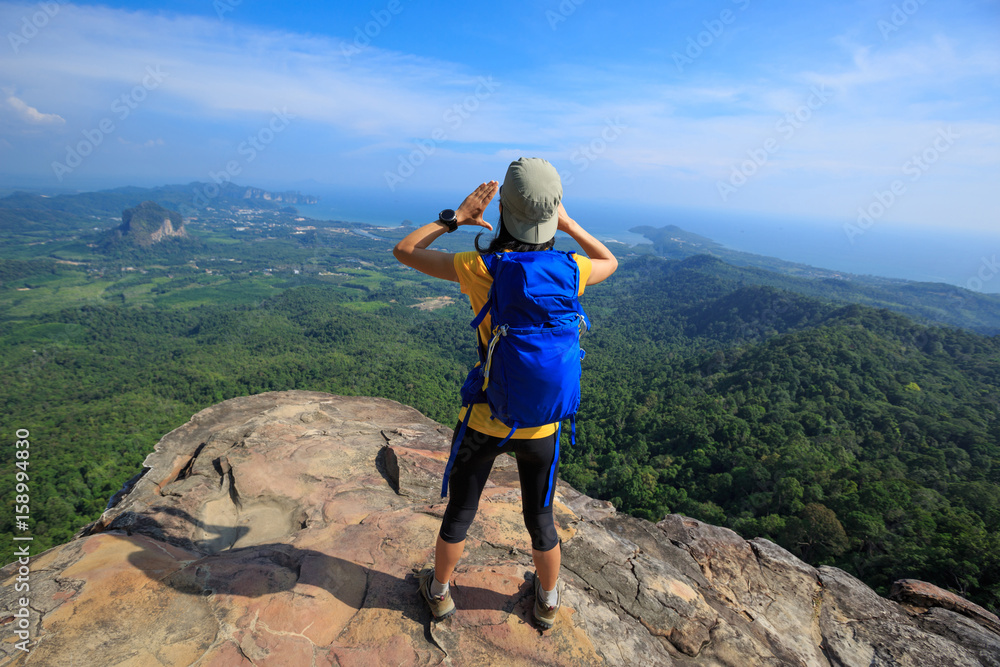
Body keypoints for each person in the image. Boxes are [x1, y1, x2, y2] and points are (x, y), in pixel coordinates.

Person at [392, 157, 618, 629]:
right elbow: (610, 261)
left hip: (484, 418)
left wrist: (452, 219)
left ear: (505, 213)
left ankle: (438, 594)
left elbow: (405, 250)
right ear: (550, 215)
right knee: (540, 516)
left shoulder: (481, 267)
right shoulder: (571, 269)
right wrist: (569, 222)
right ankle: (548, 602)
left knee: (461, 509)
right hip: (543, 424)